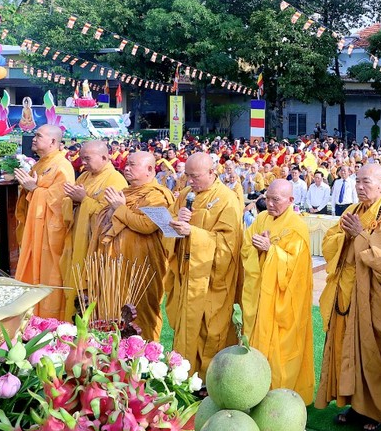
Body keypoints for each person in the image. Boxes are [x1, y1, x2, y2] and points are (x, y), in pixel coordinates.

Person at [317, 164, 381, 431]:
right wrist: (346, 237)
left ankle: (374, 411)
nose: (359, 186)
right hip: (347, 295)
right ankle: (355, 406)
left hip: (375, 299)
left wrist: (360, 235)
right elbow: (330, 241)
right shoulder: (353, 210)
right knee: (348, 350)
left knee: (372, 353)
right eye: (357, 181)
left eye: (366, 182)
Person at [165, 152, 243, 374]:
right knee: (184, 326)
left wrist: (193, 233)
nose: (190, 181)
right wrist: (176, 221)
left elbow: (228, 245)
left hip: (210, 279)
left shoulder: (227, 199)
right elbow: (168, 228)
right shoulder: (185, 195)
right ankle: (181, 374)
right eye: (187, 175)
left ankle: (206, 379)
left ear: (212, 172)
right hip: (185, 274)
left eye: (195, 176)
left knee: (209, 330)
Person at [241, 179, 315, 403]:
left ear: (291, 200)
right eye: (268, 199)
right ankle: (251, 391)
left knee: (281, 350)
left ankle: (280, 398)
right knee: (254, 343)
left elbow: (296, 268)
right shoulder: (261, 218)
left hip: (283, 301)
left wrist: (270, 250)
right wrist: (258, 249)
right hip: (259, 295)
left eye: (276, 200)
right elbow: (246, 246)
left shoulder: (296, 227)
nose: (270, 204)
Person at [90, 151, 173, 340]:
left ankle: (146, 353)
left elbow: (146, 225)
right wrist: (113, 210)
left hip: (143, 266)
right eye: (126, 164)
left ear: (149, 169)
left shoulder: (157, 195)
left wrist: (119, 208)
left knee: (141, 313)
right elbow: (106, 220)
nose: (126, 168)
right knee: (114, 311)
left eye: (132, 165)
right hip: (116, 263)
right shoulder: (125, 192)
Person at [59, 140, 127, 321]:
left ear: (104, 157)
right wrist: (72, 201)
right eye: (82, 158)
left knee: (89, 291)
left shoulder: (115, 179)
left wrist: (84, 200)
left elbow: (111, 217)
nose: (83, 162)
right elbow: (69, 204)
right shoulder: (84, 177)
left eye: (87, 158)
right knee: (73, 284)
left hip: (95, 247)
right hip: (78, 240)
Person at [14, 124, 76, 318]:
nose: (33, 139)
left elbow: (61, 203)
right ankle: (30, 319)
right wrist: (27, 188)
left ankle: (49, 322)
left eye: (38, 136)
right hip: (35, 232)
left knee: (48, 277)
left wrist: (34, 189)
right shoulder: (40, 164)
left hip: (50, 236)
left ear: (53, 141)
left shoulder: (62, 166)